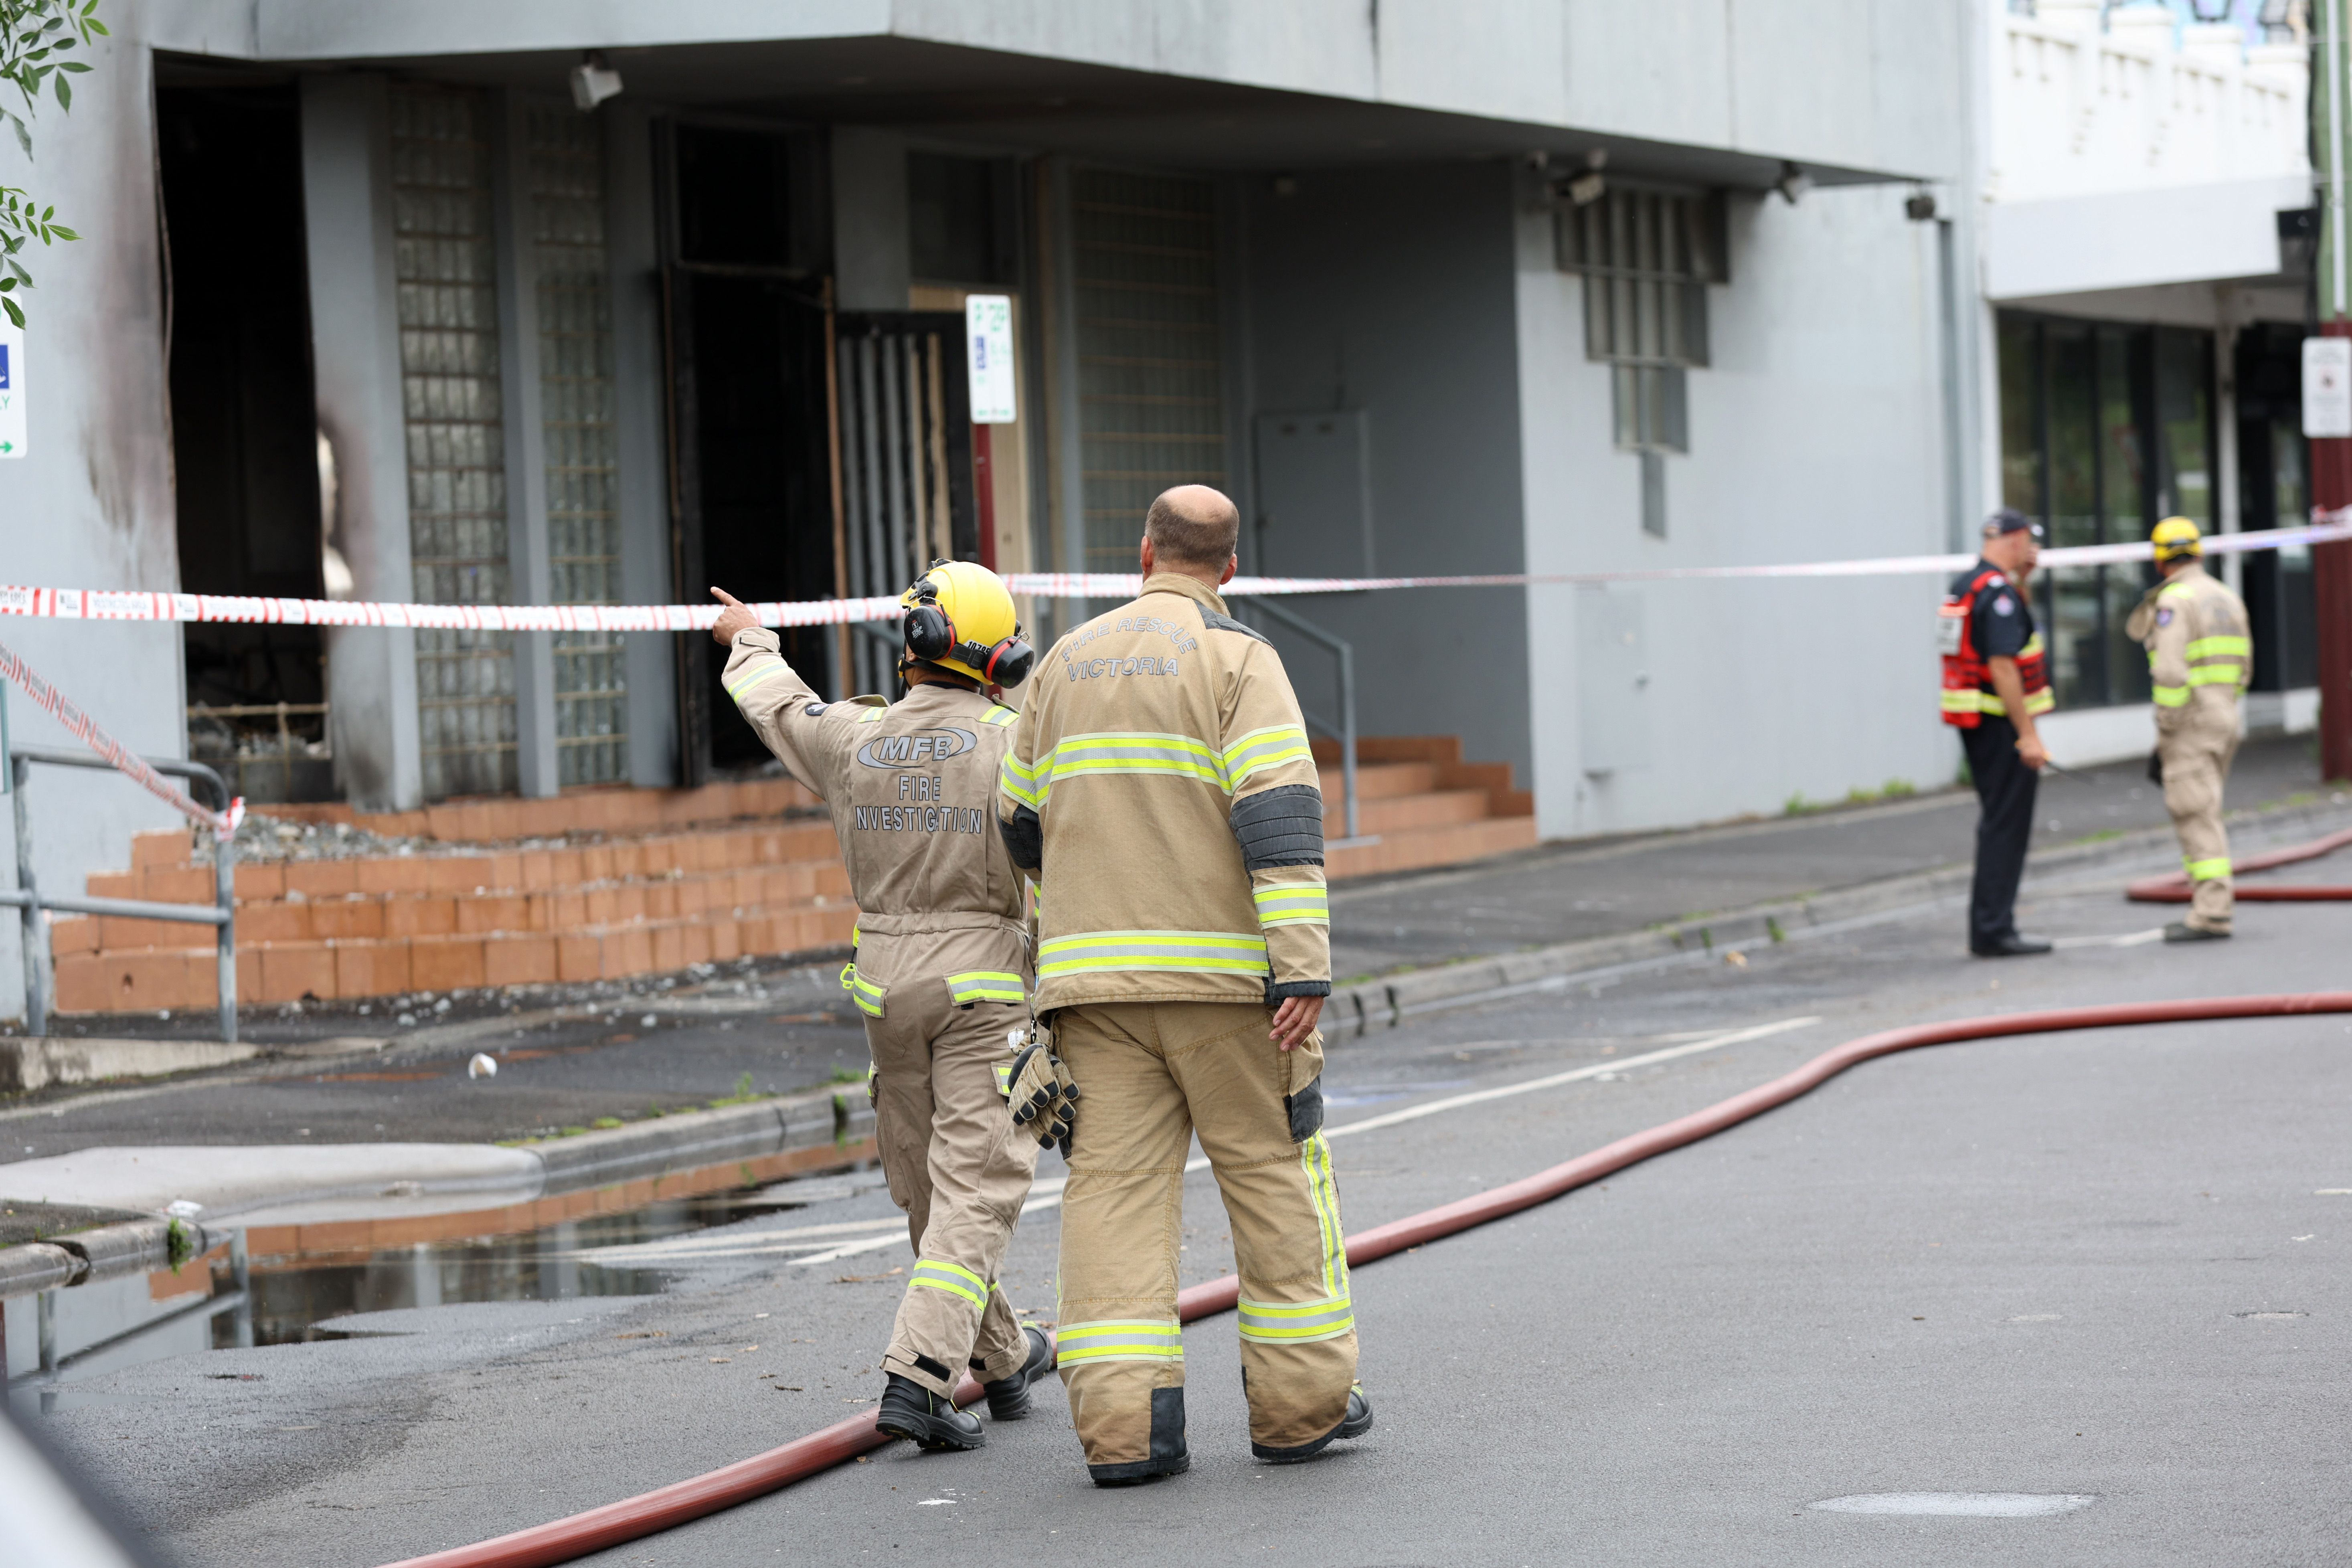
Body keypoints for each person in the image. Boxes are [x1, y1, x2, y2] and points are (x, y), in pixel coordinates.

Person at [994, 484, 1369, 1487]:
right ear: (1231, 568)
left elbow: (1017, 820)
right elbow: (1280, 819)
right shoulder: (1240, 660)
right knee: (1271, 1178)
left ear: (1143, 552)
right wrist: (1302, 965)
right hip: (1229, 991)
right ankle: (1298, 1408)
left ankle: (1126, 1429)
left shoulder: (1066, 662)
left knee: (1111, 1198)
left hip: (1094, 991)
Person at [710, 562, 1054, 1453]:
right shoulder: (1012, 742)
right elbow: (1056, 868)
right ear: (998, 656)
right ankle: (919, 1377)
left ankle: (1006, 1357)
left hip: (883, 985)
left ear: (913, 647)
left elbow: (778, 705)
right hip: (982, 984)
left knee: (926, 1182)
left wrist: (749, 638)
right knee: (977, 1187)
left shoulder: (852, 736)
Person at [2125, 517, 2251, 943]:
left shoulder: (2174, 603)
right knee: (2206, 810)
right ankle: (2211, 905)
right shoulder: (2226, 597)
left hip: (2191, 725)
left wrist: (2168, 727)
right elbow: (2245, 669)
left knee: (2195, 816)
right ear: (2198, 552)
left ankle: (2211, 912)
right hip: (2224, 718)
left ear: (2160, 561)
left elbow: (2170, 672)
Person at [1940, 508, 2055, 957]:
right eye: (2029, 540)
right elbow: (2003, 664)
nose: (2033, 550)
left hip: (1977, 725)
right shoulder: (1999, 593)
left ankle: (1991, 925)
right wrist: (2027, 734)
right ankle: (1993, 929)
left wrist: (2021, 580)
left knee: (1997, 824)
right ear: (2013, 539)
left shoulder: (1969, 584)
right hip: (1999, 728)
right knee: (2005, 829)